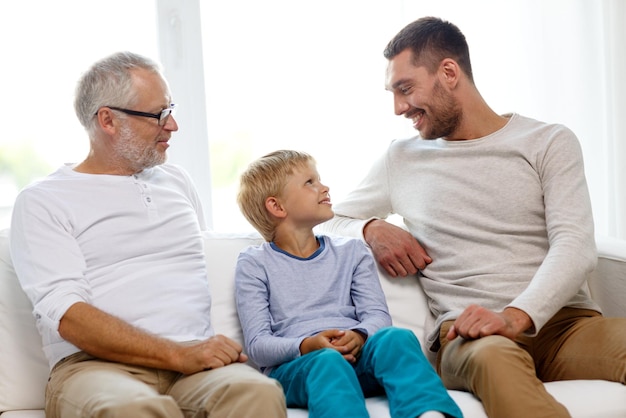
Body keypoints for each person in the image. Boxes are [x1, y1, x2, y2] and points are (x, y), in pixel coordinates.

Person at [321, 16, 626, 418]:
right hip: (469, 335)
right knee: (494, 361)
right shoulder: (401, 159)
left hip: (564, 325)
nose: (398, 108)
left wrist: (515, 316)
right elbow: (325, 220)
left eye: (405, 89)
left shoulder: (549, 142)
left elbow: (575, 245)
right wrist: (370, 227)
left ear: (449, 72)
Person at [9, 51, 286, 418]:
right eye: (158, 114)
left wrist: (191, 353)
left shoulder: (177, 182)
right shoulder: (43, 200)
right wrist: (176, 353)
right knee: (136, 410)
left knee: (258, 393)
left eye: (170, 109)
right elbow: (69, 315)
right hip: (96, 368)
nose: (172, 126)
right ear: (107, 120)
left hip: (194, 363)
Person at [234, 149, 463, 418]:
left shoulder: (352, 252)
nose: (324, 187)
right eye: (310, 183)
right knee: (328, 361)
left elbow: (377, 316)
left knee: (397, 337)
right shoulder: (254, 263)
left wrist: (360, 335)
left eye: (319, 180)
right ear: (277, 207)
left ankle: (430, 414)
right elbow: (258, 345)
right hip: (300, 369)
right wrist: (306, 345)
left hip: (358, 357)